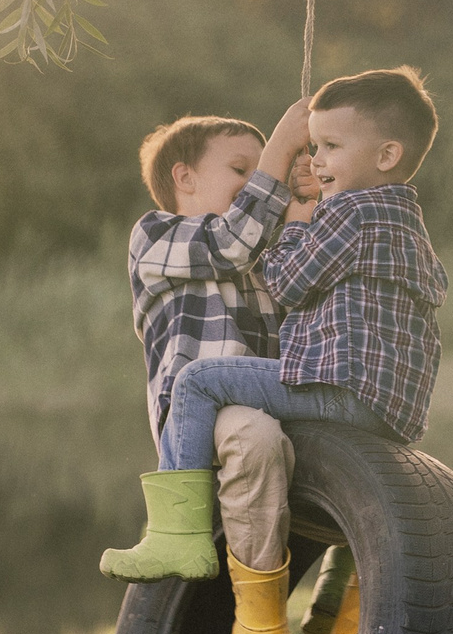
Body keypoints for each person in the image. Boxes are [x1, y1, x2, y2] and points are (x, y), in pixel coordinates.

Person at [156, 67, 448, 634]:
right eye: (310, 149)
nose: (313, 161)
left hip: (336, 387)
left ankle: (173, 529)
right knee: (377, 501)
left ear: (387, 154)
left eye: (328, 149)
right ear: (183, 179)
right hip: (397, 408)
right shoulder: (158, 235)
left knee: (199, 380)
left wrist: (298, 219)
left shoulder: (348, 215)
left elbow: (286, 283)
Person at [102, 103, 318, 599]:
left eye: (264, 171)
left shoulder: (265, 255)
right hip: (199, 415)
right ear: (185, 177)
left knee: (365, 447)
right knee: (252, 436)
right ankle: (259, 620)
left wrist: (307, 209)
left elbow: (311, 302)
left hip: (273, 396)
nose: (260, 181)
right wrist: (282, 147)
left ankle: (345, 598)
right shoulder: (156, 236)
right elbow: (228, 244)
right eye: (243, 169)